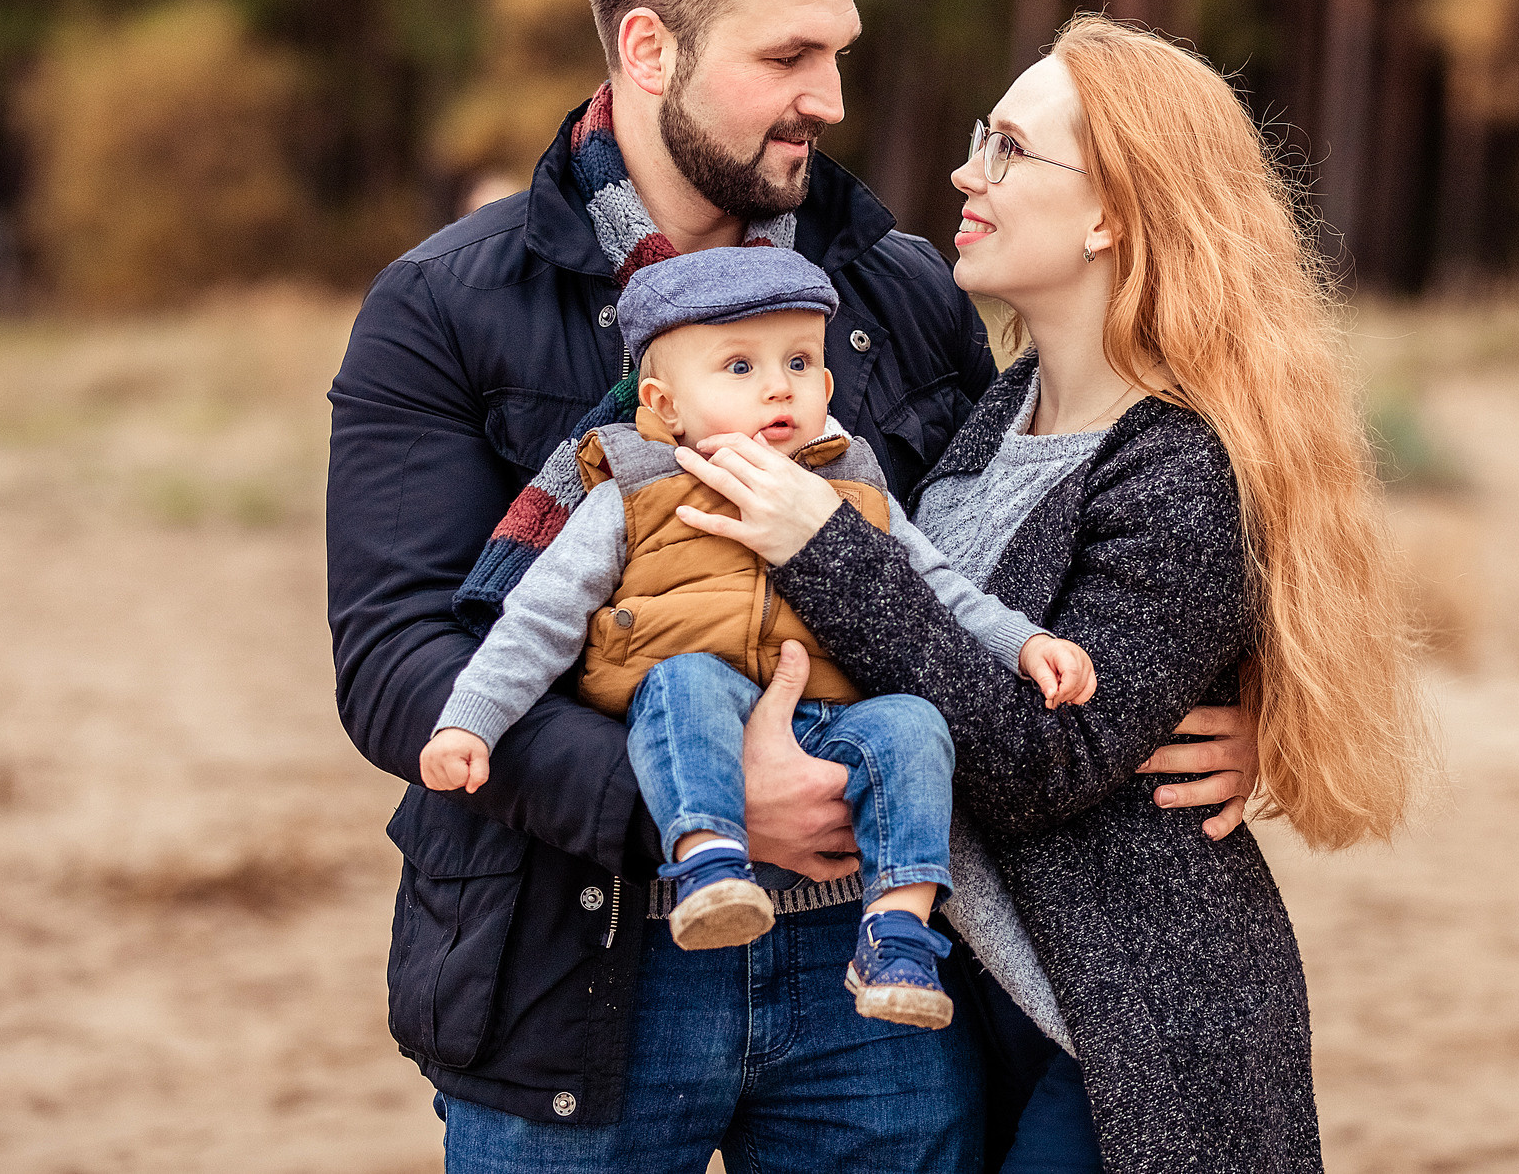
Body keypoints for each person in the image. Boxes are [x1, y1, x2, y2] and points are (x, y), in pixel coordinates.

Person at [325, 0, 1257, 1173]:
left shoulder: (903, 290)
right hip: (570, 968)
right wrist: (693, 800)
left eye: (838, 52)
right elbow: (397, 662)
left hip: (877, 986)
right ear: (648, 50)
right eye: (786, 57)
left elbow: (1018, 560)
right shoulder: (444, 307)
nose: (830, 97)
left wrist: (1228, 704)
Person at [669, 16, 1433, 1174]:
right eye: (981, 137)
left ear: (1109, 212)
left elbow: (1041, 762)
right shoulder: (1004, 408)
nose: (965, 172)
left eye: (1010, 148)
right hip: (982, 1004)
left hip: (1124, 1032)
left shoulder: (1181, 463)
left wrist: (825, 547)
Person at [416, 245, 1096, 1029]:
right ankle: (708, 864)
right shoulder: (633, 491)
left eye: (800, 362)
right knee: (683, 681)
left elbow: (938, 586)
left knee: (914, 724)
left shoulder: (853, 487)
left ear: (827, 387)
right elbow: (540, 617)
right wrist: (471, 720)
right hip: (701, 713)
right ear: (665, 403)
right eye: (739, 366)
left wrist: (1022, 642)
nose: (779, 386)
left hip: (835, 719)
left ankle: (897, 931)